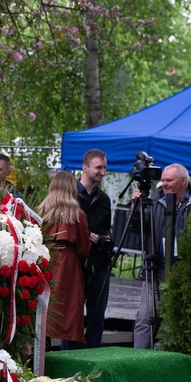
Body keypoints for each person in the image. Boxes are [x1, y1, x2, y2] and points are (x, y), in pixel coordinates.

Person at [129, 163, 191, 349]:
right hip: (156, 270)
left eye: (168, 180)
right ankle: (139, 362)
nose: (163, 183)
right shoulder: (154, 200)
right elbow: (135, 229)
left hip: (184, 272)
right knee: (145, 319)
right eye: (162, 179)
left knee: (180, 320)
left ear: (183, 181)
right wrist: (136, 207)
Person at [38, 171, 91, 349]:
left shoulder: (40, 211)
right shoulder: (78, 214)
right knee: (70, 312)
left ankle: (41, 359)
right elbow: (84, 249)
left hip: (46, 263)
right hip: (69, 266)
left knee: (44, 310)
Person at [77, 149, 112, 348]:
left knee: (97, 317)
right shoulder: (71, 195)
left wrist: (103, 238)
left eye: (104, 167)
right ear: (85, 168)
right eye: (99, 167)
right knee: (73, 317)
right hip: (77, 264)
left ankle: (93, 360)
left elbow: (107, 228)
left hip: (99, 264)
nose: (103, 172)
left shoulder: (104, 198)